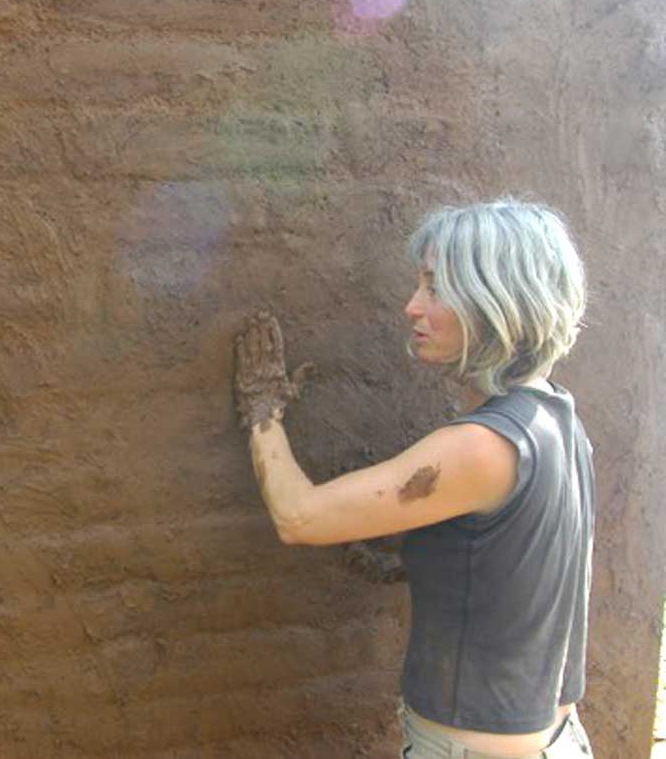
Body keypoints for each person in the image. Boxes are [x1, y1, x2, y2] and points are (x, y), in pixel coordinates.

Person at [233, 198, 596, 758]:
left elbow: (298, 516)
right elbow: (511, 563)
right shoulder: (558, 419)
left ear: (493, 302)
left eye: (434, 288)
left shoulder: (479, 447)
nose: (411, 307)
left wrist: (263, 411)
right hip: (556, 742)